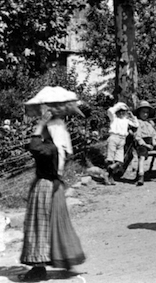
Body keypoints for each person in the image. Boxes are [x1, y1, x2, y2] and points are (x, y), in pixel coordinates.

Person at [19, 88, 86, 282]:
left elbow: (35, 147)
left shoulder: (51, 145)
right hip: (54, 183)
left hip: (46, 184)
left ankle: (39, 266)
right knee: (52, 223)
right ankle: (57, 260)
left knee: (39, 225)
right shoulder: (60, 138)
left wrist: (41, 124)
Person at [132, 101, 156, 186]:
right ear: (139, 113)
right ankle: (141, 176)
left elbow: (154, 134)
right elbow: (137, 136)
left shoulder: (149, 123)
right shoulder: (137, 123)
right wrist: (145, 144)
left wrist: (154, 140)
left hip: (152, 142)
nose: (145, 114)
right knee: (142, 156)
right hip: (142, 143)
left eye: (147, 112)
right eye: (143, 112)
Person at [105, 101, 138, 184]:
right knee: (110, 159)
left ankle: (109, 171)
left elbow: (136, 124)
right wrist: (119, 105)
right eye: (120, 111)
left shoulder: (126, 120)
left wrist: (132, 116)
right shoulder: (114, 119)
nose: (122, 113)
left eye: (124, 112)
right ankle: (110, 177)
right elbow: (110, 111)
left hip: (122, 140)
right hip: (113, 138)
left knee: (119, 161)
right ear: (117, 112)